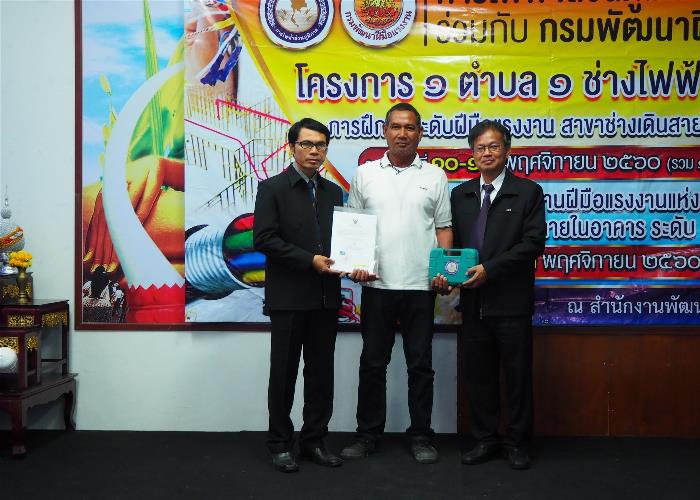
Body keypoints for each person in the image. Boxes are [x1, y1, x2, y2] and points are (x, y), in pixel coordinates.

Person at [341, 103, 453, 464]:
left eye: (409, 127)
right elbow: (353, 226)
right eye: (396, 127)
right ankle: (367, 435)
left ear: (419, 133)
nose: (402, 134)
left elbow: (443, 228)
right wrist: (355, 265)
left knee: (420, 366)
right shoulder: (365, 174)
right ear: (385, 131)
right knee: (373, 364)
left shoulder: (435, 176)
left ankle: (421, 435)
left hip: (421, 286)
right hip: (377, 286)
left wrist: (443, 271)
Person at [450, 119, 546, 470]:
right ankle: (484, 439)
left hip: (511, 302)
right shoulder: (461, 194)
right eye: (480, 148)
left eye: (494, 146)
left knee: (517, 376)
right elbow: (453, 245)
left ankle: (518, 443)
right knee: (479, 375)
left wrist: (490, 269)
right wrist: (446, 272)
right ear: (472, 153)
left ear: (507, 150)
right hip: (473, 303)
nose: (487, 153)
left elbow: (533, 244)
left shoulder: (528, 192)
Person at [253, 117, 344, 473]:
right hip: (288, 298)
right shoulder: (272, 188)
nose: (314, 151)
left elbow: (343, 242)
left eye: (321, 145)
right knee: (284, 374)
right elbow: (264, 239)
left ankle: (314, 441)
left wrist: (354, 261)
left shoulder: (333, 193)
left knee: (321, 375)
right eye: (307, 144)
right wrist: (310, 261)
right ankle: (279, 444)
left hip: (325, 298)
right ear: (292, 147)